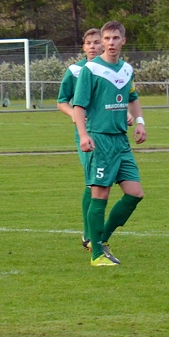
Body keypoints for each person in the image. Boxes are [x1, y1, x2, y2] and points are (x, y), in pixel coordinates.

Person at [72, 20, 146, 267]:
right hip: (100, 139)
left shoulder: (127, 70)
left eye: (116, 38)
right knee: (100, 194)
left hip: (121, 142)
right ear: (102, 42)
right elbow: (78, 106)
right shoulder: (90, 69)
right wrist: (84, 135)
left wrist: (140, 122)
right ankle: (96, 256)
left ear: (123, 41)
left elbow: (132, 97)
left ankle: (100, 239)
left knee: (135, 194)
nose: (111, 43)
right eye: (107, 39)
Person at [57, 29, 104, 249]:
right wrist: (75, 116)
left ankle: (94, 231)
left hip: (108, 133)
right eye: (89, 43)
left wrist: (128, 115)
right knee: (92, 181)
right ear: (83, 47)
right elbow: (62, 101)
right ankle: (88, 233)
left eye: (97, 42)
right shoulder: (75, 71)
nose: (93, 46)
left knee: (104, 181)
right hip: (86, 134)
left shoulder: (112, 70)